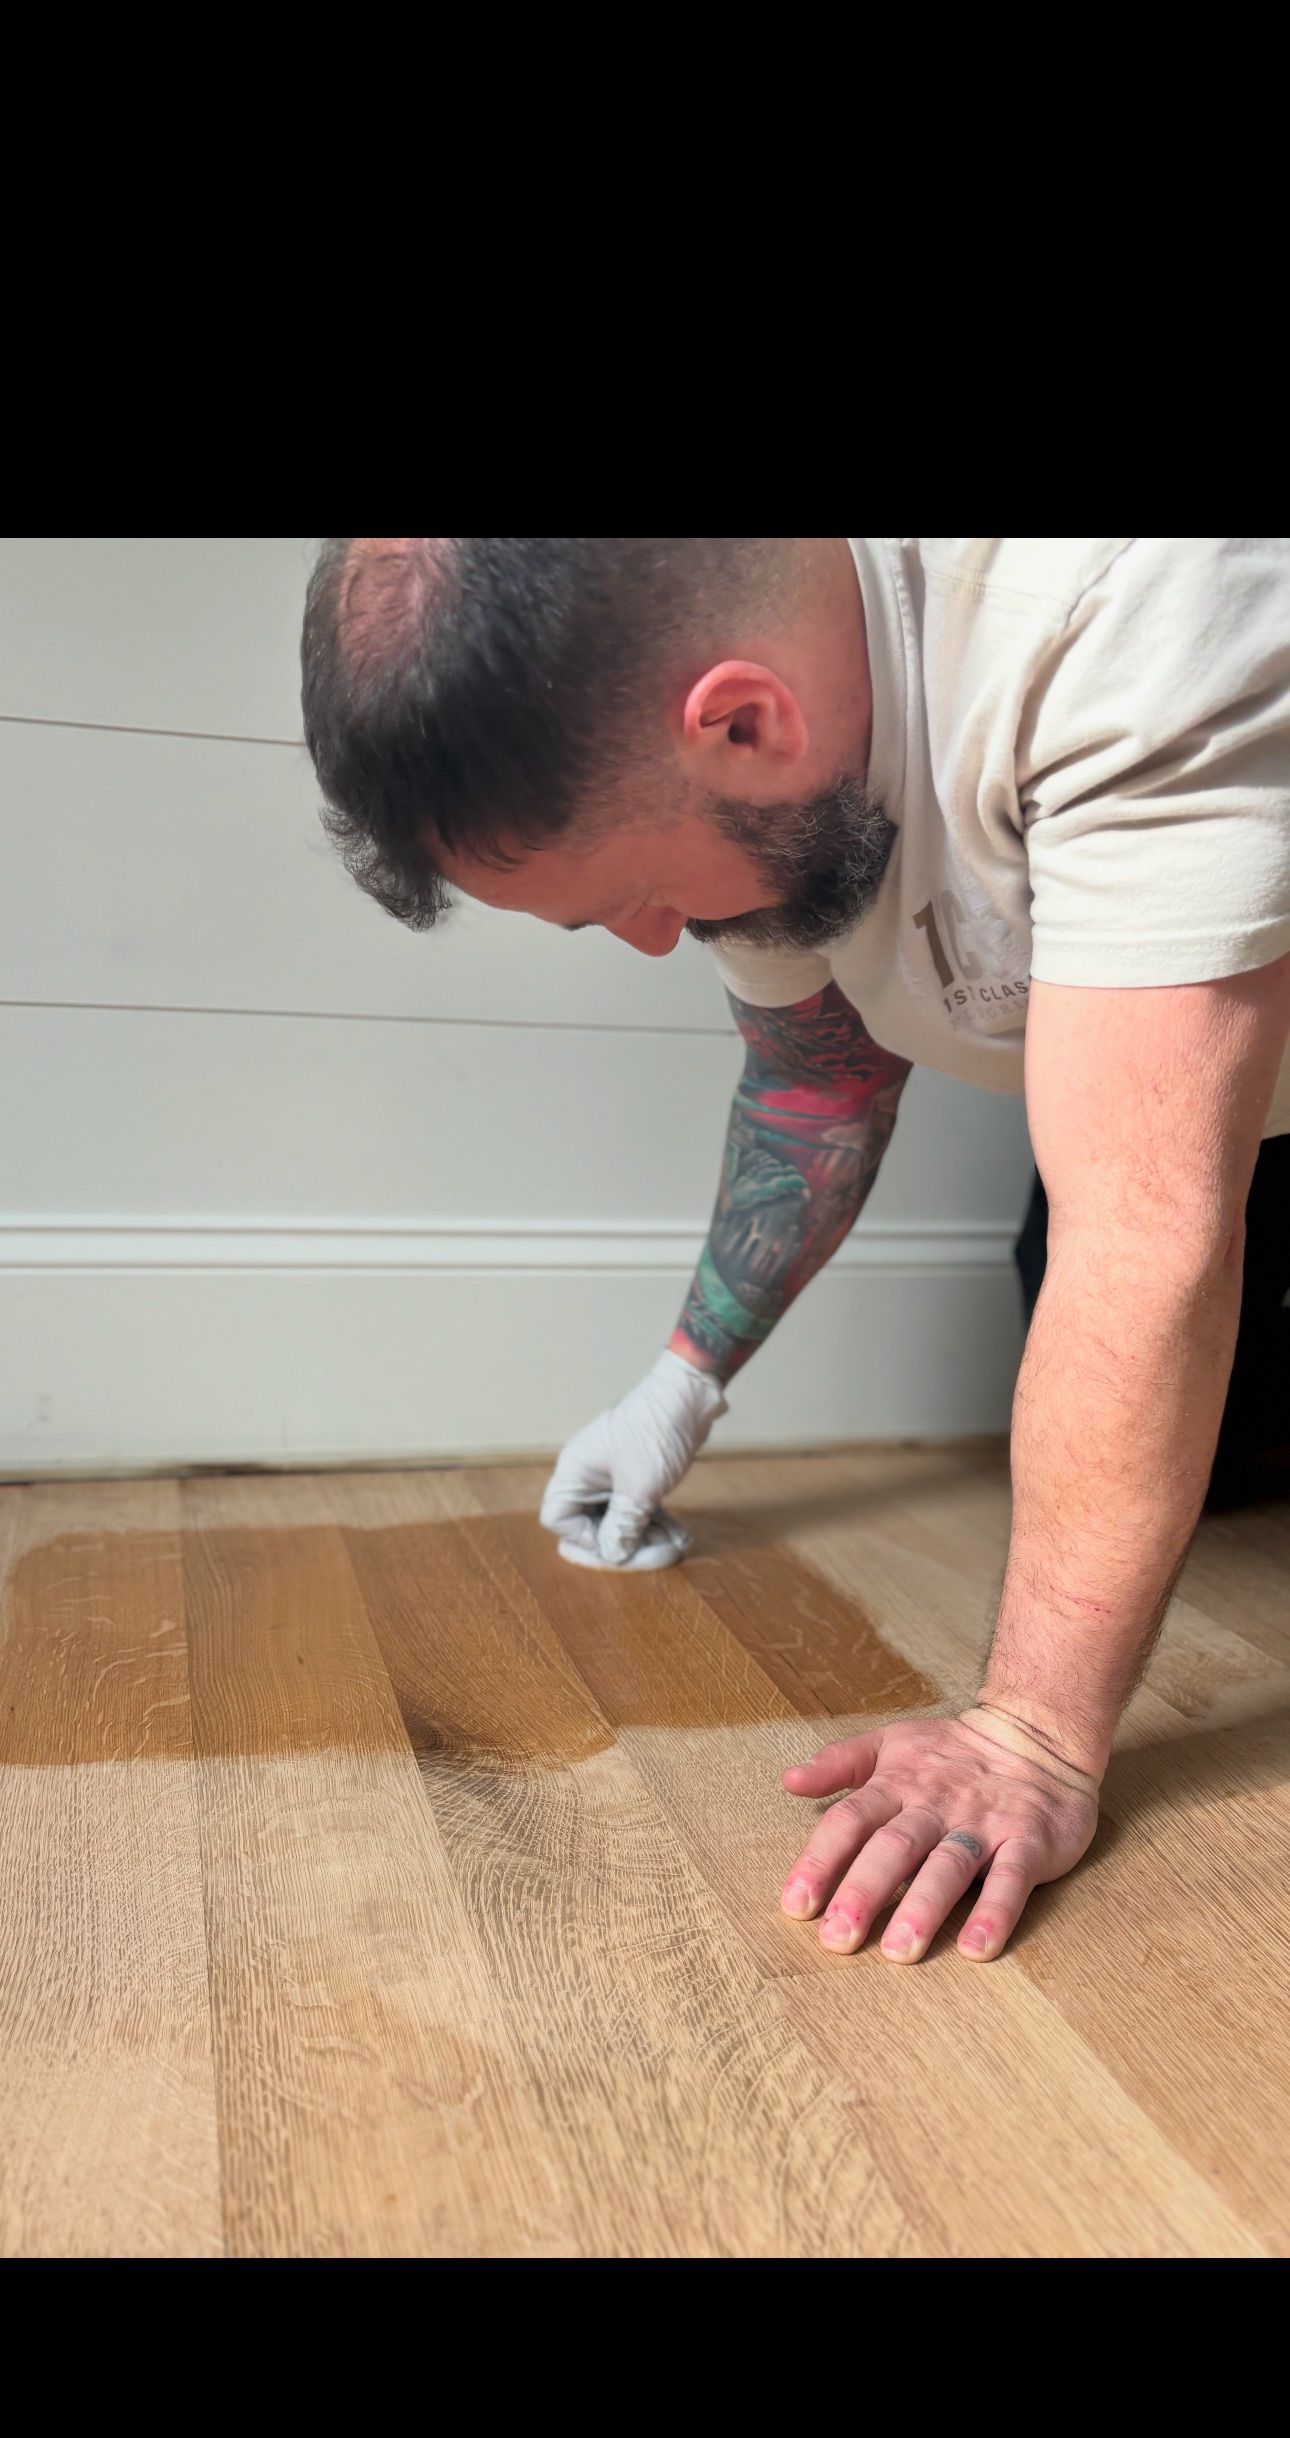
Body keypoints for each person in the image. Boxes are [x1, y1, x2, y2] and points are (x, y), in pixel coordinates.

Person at [301, 537, 1290, 1965]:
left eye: (633, 895)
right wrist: (682, 1380)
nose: (652, 944)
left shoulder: (1125, 608)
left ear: (743, 722)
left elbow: (1144, 1227)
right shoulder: (773, 759)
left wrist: (1027, 1735)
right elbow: (814, 1081)